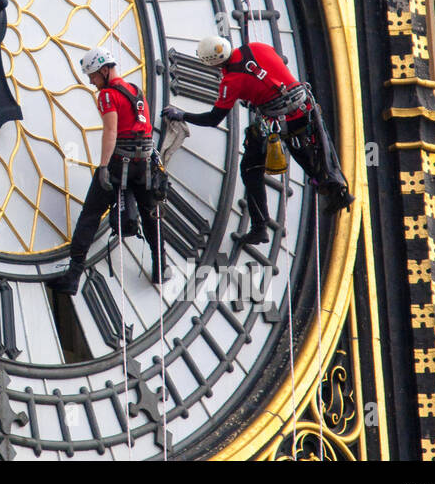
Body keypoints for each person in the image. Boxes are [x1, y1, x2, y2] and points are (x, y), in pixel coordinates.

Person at [163, 35, 354, 245]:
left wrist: (182, 115)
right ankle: (334, 187)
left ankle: (260, 226)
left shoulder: (231, 82)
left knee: (250, 169)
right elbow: (271, 73)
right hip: (304, 108)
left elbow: (213, 119)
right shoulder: (257, 47)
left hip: (279, 121)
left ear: (213, 63)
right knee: (318, 155)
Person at [52, 47, 167, 296]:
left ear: (104, 70)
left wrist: (104, 167)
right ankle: (160, 268)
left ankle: (73, 277)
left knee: (90, 215)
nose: (91, 82)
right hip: (144, 162)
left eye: (93, 75)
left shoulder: (106, 95)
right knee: (150, 216)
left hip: (119, 163)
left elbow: (111, 131)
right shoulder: (136, 90)